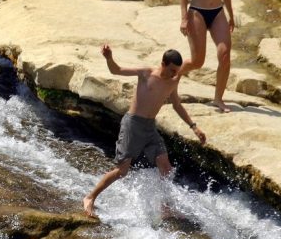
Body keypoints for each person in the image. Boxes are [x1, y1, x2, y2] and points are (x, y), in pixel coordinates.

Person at [82, 45, 206, 219]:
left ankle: (165, 209)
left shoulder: (173, 81)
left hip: (149, 127)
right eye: (171, 70)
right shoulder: (146, 73)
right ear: (163, 63)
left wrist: (194, 127)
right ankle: (90, 197)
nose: (174, 74)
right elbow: (116, 70)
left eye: (176, 71)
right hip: (133, 124)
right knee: (121, 171)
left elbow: (177, 105)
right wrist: (109, 57)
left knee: (166, 168)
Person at [179, 0, 235, 113]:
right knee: (197, 62)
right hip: (197, 13)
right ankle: (171, 76)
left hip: (218, 13)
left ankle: (218, 99)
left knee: (225, 55)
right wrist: (184, 18)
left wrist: (231, 16)